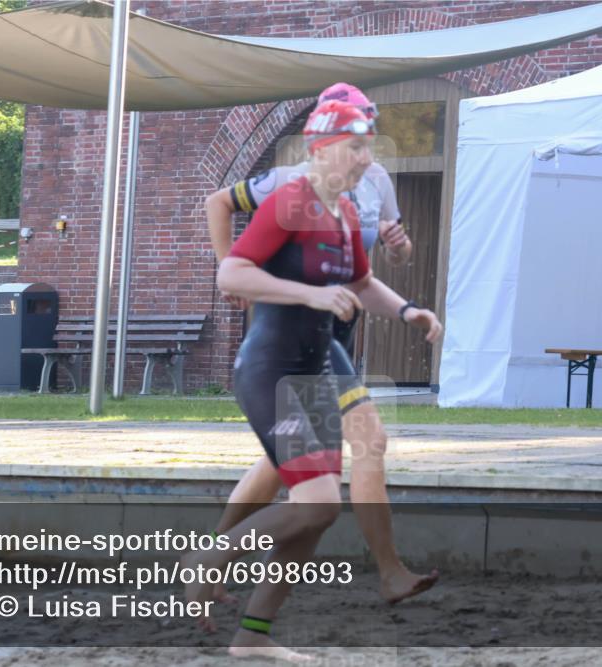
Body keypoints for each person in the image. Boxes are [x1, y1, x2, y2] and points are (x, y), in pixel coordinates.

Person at [183, 100, 443, 662]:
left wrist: (407, 311)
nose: (367, 158)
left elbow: (363, 281)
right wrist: (310, 294)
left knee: (315, 513)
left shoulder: (346, 212)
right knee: (319, 504)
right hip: (270, 371)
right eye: (357, 145)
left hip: (312, 372)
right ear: (320, 147)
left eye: (370, 145)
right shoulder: (291, 200)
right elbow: (232, 271)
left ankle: (252, 634)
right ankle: (211, 557)